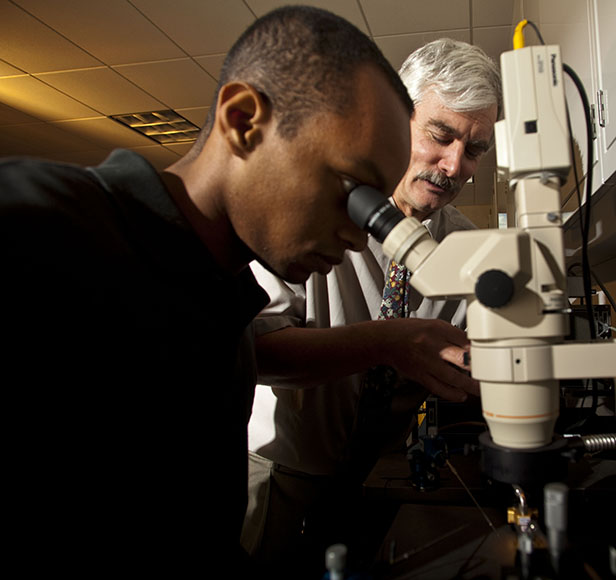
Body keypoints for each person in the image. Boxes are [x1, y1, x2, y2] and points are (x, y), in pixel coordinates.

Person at [0, 6, 411, 572]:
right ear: (244, 121)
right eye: (353, 191)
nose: (359, 237)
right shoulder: (45, 222)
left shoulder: (227, 309)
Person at [242, 38, 502, 573]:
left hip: (379, 478)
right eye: (441, 135)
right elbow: (258, 352)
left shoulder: (471, 250)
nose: (454, 165)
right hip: (282, 471)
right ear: (396, 119)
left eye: (474, 149)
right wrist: (391, 345)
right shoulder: (310, 209)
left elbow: (477, 365)